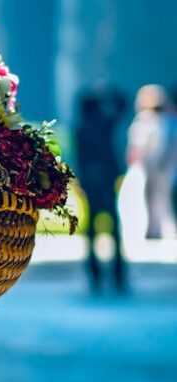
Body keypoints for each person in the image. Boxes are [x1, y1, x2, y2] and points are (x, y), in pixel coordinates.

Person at [75, 88, 128, 293]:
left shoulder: (81, 127)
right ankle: (118, 275)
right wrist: (107, 93)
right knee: (114, 229)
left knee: (91, 230)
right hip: (106, 180)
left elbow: (80, 157)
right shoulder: (105, 123)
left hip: (90, 182)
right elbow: (123, 104)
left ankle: (94, 274)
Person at [126, 84, 177, 239]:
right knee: (158, 196)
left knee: (152, 196)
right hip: (160, 166)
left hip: (152, 165)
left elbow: (138, 146)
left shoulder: (146, 120)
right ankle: (155, 228)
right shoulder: (168, 120)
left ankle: (154, 228)